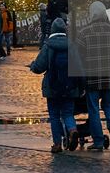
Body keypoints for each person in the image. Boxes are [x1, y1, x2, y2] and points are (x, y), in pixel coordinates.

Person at [77, 1, 110, 151]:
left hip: (92, 78)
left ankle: (98, 141)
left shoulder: (84, 33)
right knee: (109, 105)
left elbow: (78, 57)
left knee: (93, 109)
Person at [31, 16, 77, 152]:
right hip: (70, 86)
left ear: (52, 30)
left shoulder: (48, 45)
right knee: (68, 113)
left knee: (54, 115)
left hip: (52, 86)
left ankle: (57, 144)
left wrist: (33, 66)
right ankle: (72, 129)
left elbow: (39, 66)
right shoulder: (72, 45)